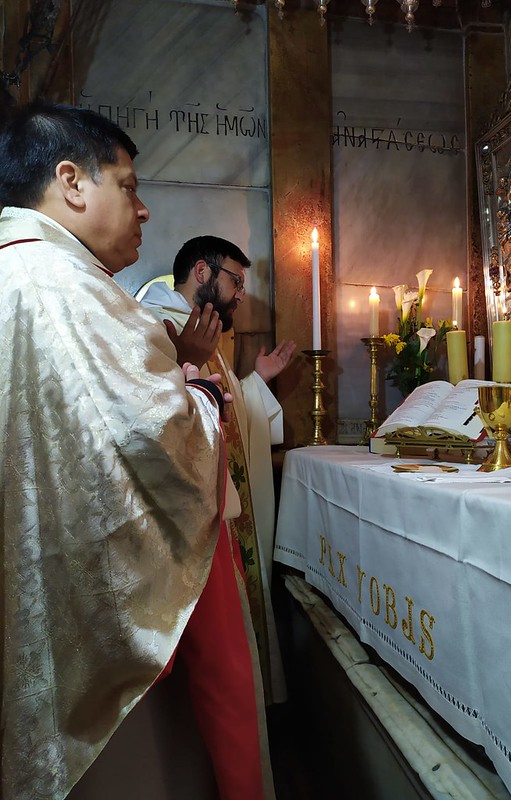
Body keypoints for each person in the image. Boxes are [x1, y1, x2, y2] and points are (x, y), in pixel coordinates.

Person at [0, 102, 273, 800]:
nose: (144, 210)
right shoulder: (79, 292)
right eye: (128, 185)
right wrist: (203, 394)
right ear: (71, 181)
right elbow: (159, 439)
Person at [140, 236, 296, 704]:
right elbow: (153, 416)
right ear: (203, 273)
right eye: (236, 280)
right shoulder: (154, 319)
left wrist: (255, 382)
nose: (241, 294)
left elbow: (222, 412)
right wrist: (184, 362)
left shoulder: (201, 328)